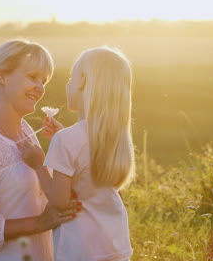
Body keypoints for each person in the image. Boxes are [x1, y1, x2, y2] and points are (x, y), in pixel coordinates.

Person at [0, 39, 80, 261]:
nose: (40, 88)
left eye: (44, 81)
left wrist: (65, 142)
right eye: (33, 77)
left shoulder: (25, 130)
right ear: (1, 76)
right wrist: (41, 222)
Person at [22, 47, 135, 261]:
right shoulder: (114, 135)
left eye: (70, 77)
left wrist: (38, 164)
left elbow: (59, 201)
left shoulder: (66, 140)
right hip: (115, 243)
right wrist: (61, 135)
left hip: (81, 249)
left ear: (83, 80)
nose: (68, 84)